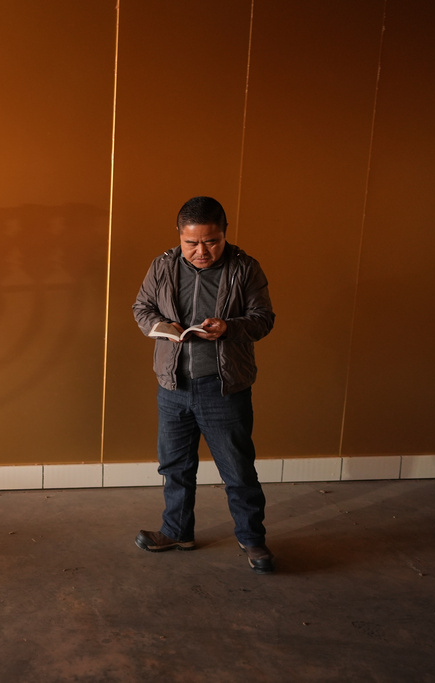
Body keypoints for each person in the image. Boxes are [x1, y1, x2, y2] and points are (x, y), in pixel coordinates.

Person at [131, 196, 276, 573]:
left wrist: (229, 328)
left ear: (224, 234)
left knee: (238, 470)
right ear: (180, 236)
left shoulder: (245, 269)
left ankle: (252, 539)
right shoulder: (162, 266)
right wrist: (160, 328)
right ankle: (178, 531)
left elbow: (263, 319)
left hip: (224, 388)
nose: (201, 251)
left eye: (210, 241)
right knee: (175, 466)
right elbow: (142, 308)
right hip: (173, 385)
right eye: (191, 242)